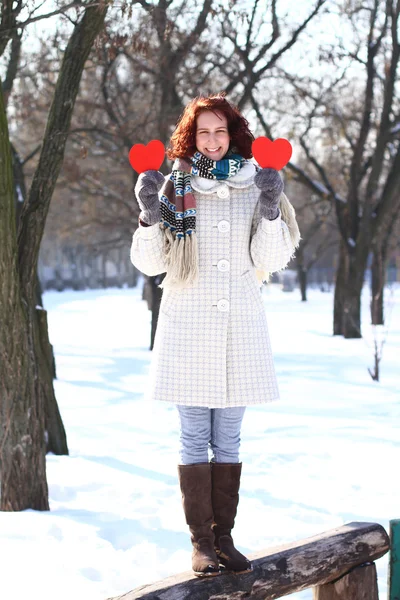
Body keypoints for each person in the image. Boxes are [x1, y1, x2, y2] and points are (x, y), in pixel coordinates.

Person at [130, 93, 300, 578]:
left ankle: (225, 539)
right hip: (188, 325)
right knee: (192, 436)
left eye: (220, 131)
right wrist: (147, 215)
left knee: (228, 438)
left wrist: (270, 207)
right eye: (203, 131)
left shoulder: (257, 183)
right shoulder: (172, 186)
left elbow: (270, 260)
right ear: (191, 137)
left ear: (233, 135)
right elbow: (152, 263)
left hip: (240, 328)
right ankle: (201, 543)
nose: (212, 139)